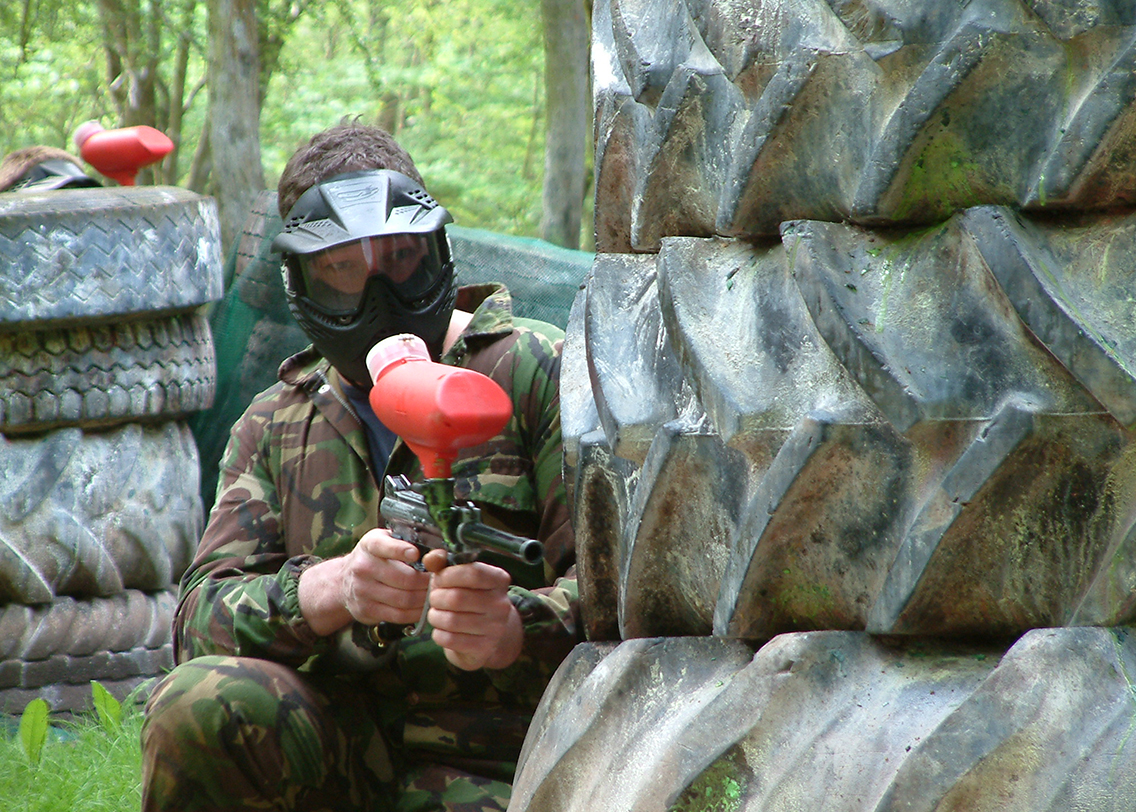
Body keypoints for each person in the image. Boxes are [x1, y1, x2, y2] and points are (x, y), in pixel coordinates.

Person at [141, 120, 580, 812]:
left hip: (512, 756)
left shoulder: (537, 371)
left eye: (401, 258)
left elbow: (628, 602)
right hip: (341, 752)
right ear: (303, 285)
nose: (379, 297)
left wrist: (516, 627)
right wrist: (328, 589)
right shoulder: (276, 423)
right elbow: (198, 618)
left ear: (435, 252)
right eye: (343, 269)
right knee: (199, 703)